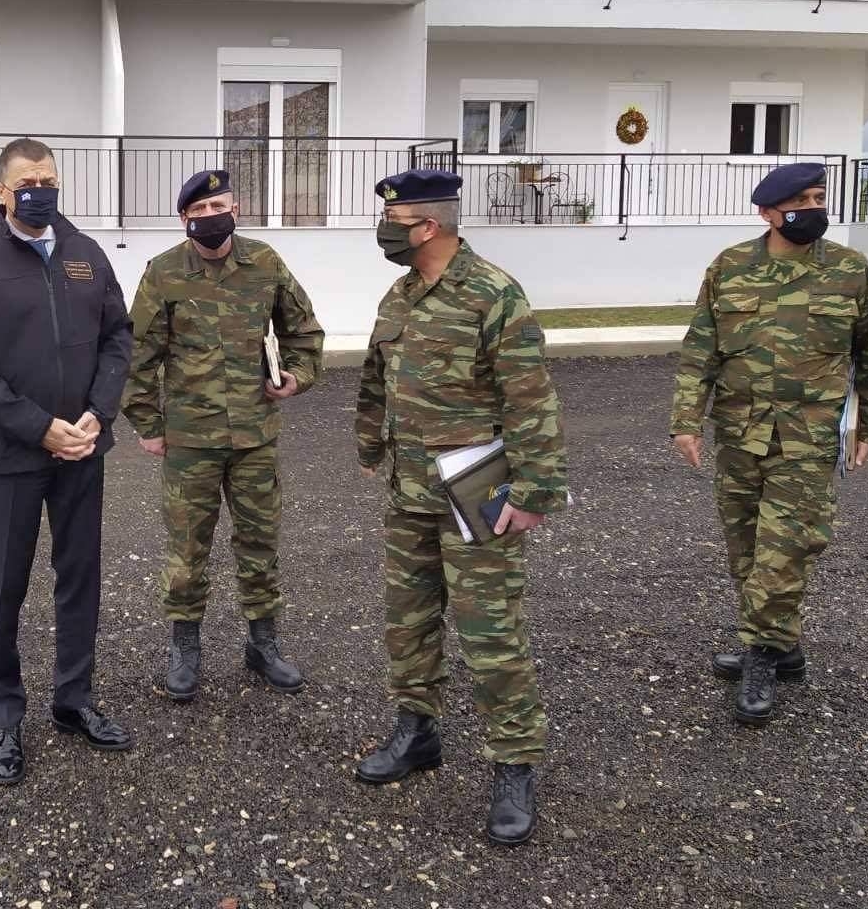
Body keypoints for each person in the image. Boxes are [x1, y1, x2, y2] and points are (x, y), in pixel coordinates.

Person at [353, 170, 565, 848]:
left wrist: (533, 491)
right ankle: (418, 731)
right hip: (410, 488)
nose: (384, 231)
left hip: (476, 489)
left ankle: (515, 763)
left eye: (395, 221)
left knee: (490, 632)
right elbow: (377, 378)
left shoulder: (493, 293)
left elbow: (529, 397)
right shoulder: (400, 293)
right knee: (408, 622)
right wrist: (368, 442)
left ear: (429, 226)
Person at [0, 137, 135, 786]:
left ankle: (74, 700)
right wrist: (38, 428)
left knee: (80, 577)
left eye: (48, 180)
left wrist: (98, 412)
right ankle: (3, 716)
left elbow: (117, 337)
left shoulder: (86, 254)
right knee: (4, 587)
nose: (39, 191)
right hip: (11, 456)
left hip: (82, 448)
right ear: (1, 191)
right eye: (27, 182)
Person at [670, 161, 868, 727]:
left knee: (783, 551)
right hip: (739, 435)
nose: (815, 209)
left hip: (808, 438)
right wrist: (686, 420)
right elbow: (701, 350)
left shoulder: (849, 269)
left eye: (819, 198)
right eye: (802, 202)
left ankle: (761, 656)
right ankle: (783, 646)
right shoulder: (730, 267)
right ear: (769, 213)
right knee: (746, 549)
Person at [122, 169, 324, 703]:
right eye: (199, 212)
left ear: (236, 210)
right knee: (188, 548)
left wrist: (296, 376)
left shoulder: (265, 263)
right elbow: (138, 355)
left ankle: (263, 643)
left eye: (219, 208)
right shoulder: (164, 272)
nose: (210, 218)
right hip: (190, 440)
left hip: (255, 435)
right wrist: (147, 423)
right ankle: (185, 648)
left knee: (260, 543)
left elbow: (303, 331)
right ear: (184, 219)